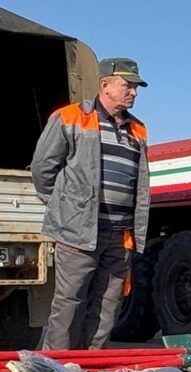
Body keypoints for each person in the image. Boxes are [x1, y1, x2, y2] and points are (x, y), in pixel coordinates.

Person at [31, 58, 150, 350]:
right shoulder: (70, 118)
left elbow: (139, 183)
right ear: (105, 85)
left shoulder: (138, 130)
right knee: (69, 302)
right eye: (127, 85)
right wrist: (66, 208)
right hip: (79, 232)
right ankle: (55, 370)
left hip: (119, 236)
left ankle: (92, 370)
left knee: (108, 304)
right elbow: (42, 169)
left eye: (136, 87)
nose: (133, 92)